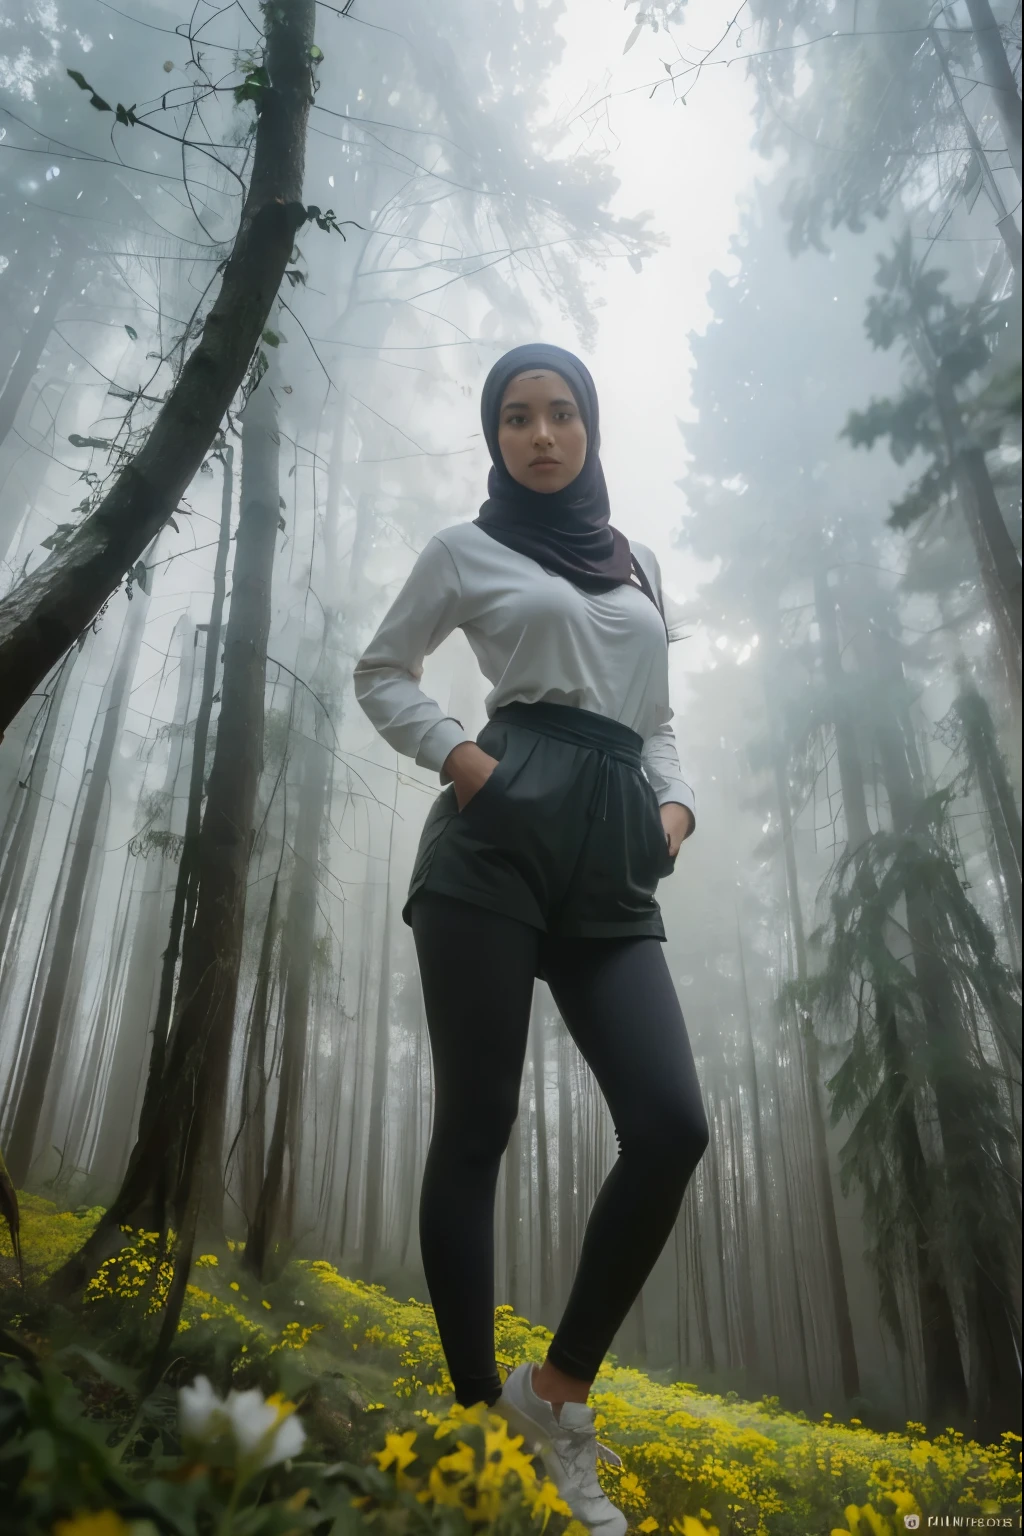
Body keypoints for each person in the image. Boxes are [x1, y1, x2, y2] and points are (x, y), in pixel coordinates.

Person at [353, 342, 709, 1535]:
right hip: (495, 837)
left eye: (561, 415)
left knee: (669, 1126)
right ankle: (473, 1420)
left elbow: (658, 722)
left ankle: (554, 1396)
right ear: (495, 437)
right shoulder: (468, 547)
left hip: (614, 848)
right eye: (517, 418)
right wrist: (461, 760)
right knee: (479, 1121)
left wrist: (674, 812)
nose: (542, 436)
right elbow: (381, 669)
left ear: (591, 428)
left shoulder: (639, 563)